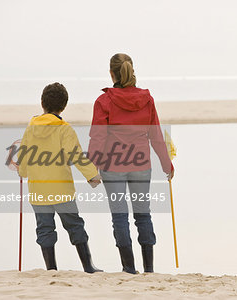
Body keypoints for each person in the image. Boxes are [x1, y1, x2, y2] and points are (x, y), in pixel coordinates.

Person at [88, 53, 174, 274]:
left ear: (111, 73)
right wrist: (167, 165)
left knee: (120, 217)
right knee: (143, 215)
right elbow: (156, 136)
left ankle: (129, 269)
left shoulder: (103, 101)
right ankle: (149, 269)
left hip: (112, 166)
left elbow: (97, 138)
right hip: (141, 166)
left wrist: (91, 169)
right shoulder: (147, 99)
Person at [18, 82, 103, 273]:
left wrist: (22, 172)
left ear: (42, 103)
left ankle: (51, 269)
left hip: (38, 190)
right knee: (74, 225)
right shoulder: (64, 128)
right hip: (62, 191)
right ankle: (88, 266)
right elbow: (76, 156)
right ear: (64, 106)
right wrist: (92, 176)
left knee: (45, 228)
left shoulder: (30, 127)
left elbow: (24, 156)